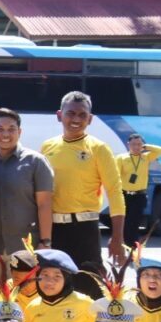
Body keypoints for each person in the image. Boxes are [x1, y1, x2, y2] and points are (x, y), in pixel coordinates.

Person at [39, 91, 125, 284]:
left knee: (89, 285)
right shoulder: (47, 147)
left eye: (82, 115)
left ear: (90, 119)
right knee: (56, 286)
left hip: (85, 230)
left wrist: (117, 237)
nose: (76, 119)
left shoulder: (99, 148)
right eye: (70, 113)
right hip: (54, 230)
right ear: (59, 115)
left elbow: (114, 191)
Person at [0, 108, 54, 285]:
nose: (5, 134)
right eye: (0, 129)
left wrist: (45, 242)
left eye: (11, 129)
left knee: (25, 297)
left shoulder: (36, 162)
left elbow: (44, 204)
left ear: (19, 132)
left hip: (26, 248)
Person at [116, 134, 161, 248]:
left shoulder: (146, 157)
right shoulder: (121, 158)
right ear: (128, 145)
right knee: (125, 222)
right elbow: (116, 176)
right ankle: (123, 245)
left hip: (139, 195)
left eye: (139, 144)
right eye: (133, 144)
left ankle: (133, 246)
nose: (136, 147)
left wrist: (146, 147)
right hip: (124, 195)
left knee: (135, 222)